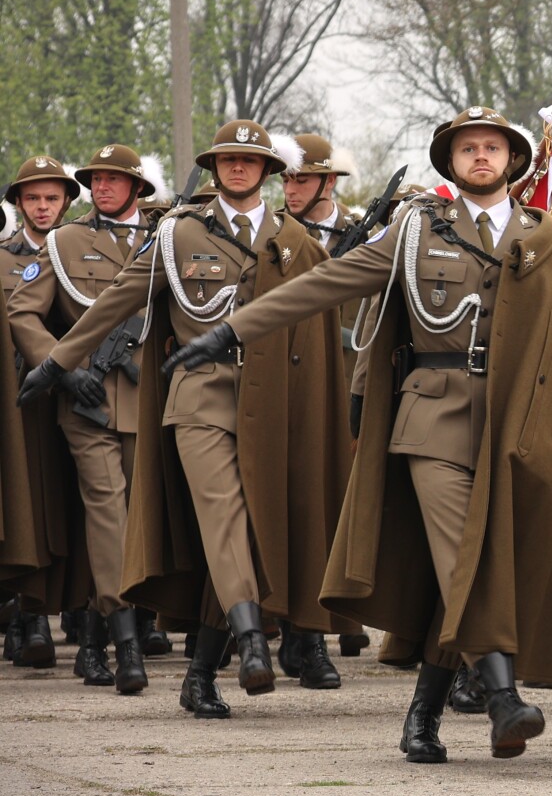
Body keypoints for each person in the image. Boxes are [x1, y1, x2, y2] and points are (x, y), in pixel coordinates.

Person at [164, 107, 552, 761]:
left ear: (513, 162)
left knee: (458, 579)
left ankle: (422, 714)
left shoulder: (551, 244)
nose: (480, 156)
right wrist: (230, 331)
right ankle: (503, 694)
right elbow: (326, 281)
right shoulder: (415, 232)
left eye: (492, 147)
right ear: (449, 161)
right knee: (465, 556)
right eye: (467, 147)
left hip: (512, 428)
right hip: (432, 417)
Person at [21, 121, 352, 719]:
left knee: (244, 532)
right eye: (226, 159)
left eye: (250, 161)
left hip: (270, 400)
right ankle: (251, 638)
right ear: (214, 166)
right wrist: (59, 361)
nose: (238, 169)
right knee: (221, 512)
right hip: (198, 393)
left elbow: (321, 317)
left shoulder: (296, 242)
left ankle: (199, 674)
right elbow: (120, 296)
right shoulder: (177, 234)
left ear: (270, 172)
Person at [9, 145, 161, 692]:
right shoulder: (66, 241)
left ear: (136, 188)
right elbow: (22, 310)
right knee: (109, 513)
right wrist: (63, 369)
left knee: (140, 519)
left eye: (114, 179)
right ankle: (126, 643)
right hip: (87, 403)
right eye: (96, 179)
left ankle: (96, 636)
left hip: (148, 401)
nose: (102, 186)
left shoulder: (164, 239)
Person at [277, 131, 372, 660]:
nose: (292, 190)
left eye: (304, 179)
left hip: (352, 379)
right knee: (303, 503)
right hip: (297, 382)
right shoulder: (272, 237)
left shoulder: (367, 234)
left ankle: (348, 614)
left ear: (329, 182)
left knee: (350, 502)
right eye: (287, 179)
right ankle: (300, 628)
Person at [0, 156, 82, 668]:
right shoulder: (2, 258)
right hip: (18, 401)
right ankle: (28, 618)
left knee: (73, 505)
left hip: (79, 394)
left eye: (52, 198)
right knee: (26, 505)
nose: (43, 207)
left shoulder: (81, 250)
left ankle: (85, 617)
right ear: (18, 204)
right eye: (33, 198)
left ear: (67, 201)